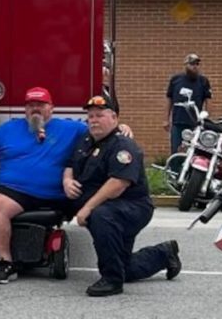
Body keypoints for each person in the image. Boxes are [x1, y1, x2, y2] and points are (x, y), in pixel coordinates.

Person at [65, 95, 181, 297]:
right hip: (109, 206)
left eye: (99, 115)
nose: (93, 120)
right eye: (90, 116)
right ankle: (164, 254)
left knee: (101, 216)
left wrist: (87, 208)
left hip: (131, 207)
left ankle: (111, 280)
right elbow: (70, 163)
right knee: (124, 266)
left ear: (114, 118)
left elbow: (118, 184)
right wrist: (67, 180)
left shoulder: (123, 146)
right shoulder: (86, 141)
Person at [0, 87, 87, 284]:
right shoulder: (8, 129)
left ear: (51, 108)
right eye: (31, 105)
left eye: (41, 105)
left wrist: (122, 128)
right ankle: (5, 263)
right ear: (25, 109)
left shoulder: (71, 128)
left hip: (51, 194)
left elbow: (99, 129)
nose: (35, 109)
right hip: (13, 192)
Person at [164, 53, 212, 154]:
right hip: (178, 123)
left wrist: (206, 120)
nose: (195, 66)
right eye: (192, 64)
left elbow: (208, 101)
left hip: (195, 124)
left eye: (197, 64)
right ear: (186, 65)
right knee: (177, 150)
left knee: (194, 152)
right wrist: (166, 119)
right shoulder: (176, 80)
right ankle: (176, 169)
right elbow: (169, 99)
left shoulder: (203, 81)